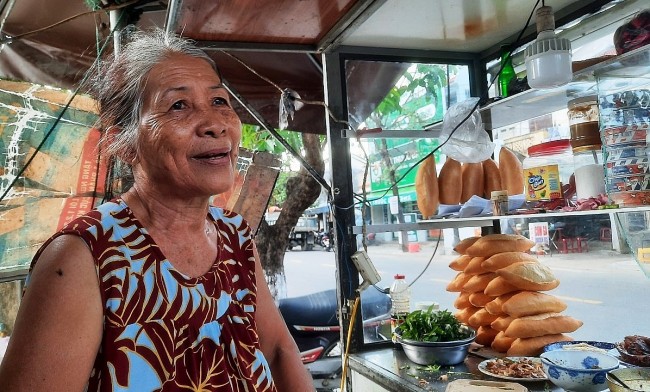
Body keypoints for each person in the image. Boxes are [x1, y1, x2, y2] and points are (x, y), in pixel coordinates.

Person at [0, 29, 314, 391]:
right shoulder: (83, 257)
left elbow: (277, 350)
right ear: (124, 141)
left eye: (220, 101)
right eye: (178, 105)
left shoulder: (235, 234)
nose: (215, 124)